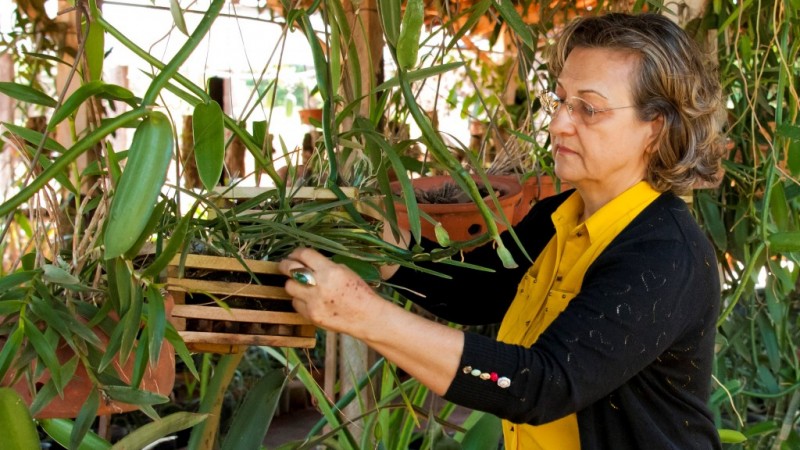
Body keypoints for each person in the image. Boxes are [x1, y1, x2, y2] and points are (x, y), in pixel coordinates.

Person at [278, 12, 725, 450]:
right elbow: (480, 291)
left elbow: (540, 384)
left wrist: (363, 315)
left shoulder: (665, 255)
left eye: (588, 108)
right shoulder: (561, 216)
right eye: (560, 101)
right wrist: (387, 250)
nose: (558, 124)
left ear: (656, 128)